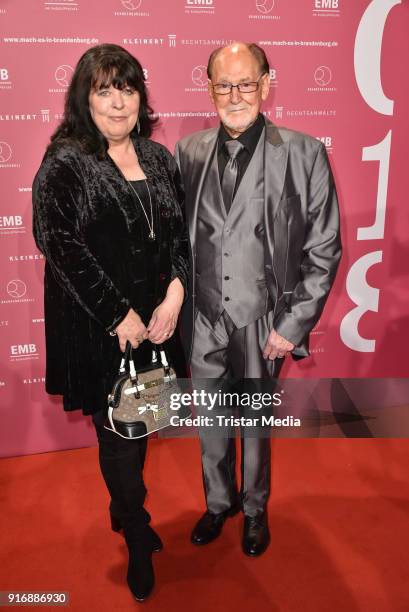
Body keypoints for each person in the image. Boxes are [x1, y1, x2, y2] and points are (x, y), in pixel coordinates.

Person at [32, 43, 188, 601]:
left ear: (141, 96)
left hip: (158, 327)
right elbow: (59, 243)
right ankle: (138, 531)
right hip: (101, 332)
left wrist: (174, 293)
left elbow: (179, 238)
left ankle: (123, 508)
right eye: (104, 89)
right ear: (85, 97)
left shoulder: (160, 157)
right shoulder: (66, 162)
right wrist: (117, 312)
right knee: (119, 434)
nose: (118, 101)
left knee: (139, 423)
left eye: (127, 87)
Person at [176, 42, 341, 557]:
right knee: (210, 420)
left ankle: (254, 508)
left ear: (266, 83)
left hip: (261, 318)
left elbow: (325, 247)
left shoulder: (304, 151)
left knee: (253, 422)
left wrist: (291, 325)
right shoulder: (189, 152)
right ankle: (219, 502)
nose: (235, 95)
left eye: (246, 83)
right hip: (202, 317)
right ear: (209, 89)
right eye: (223, 85)